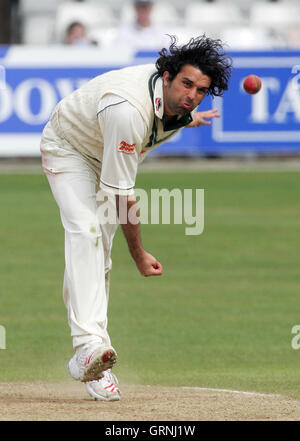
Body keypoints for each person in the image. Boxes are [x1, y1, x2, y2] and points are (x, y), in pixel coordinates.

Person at [40, 35, 232, 401]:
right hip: (70, 148)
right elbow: (123, 198)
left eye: (201, 90)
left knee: (100, 256)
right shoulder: (127, 108)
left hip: (105, 151)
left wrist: (190, 121)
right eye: (186, 84)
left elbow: (167, 116)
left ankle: (93, 357)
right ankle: (89, 348)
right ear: (167, 75)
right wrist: (140, 254)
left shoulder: (177, 104)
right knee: (87, 231)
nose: (192, 96)